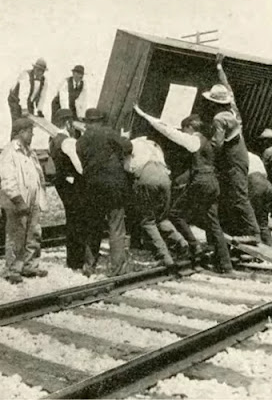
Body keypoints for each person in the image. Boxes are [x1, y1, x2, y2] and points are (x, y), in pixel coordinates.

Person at [133, 105, 233, 273]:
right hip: (213, 183)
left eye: (184, 129)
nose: (183, 132)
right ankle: (226, 264)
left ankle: (194, 246)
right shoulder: (211, 142)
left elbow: (169, 132)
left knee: (175, 214)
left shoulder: (195, 140)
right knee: (214, 224)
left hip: (201, 181)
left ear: (190, 127)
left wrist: (145, 115)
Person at [204, 55, 260, 240]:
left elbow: (217, 144)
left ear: (213, 103)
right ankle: (242, 229)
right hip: (240, 154)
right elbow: (228, 88)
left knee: (239, 195)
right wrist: (219, 67)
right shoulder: (233, 109)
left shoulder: (219, 118)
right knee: (236, 194)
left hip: (233, 159)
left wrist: (203, 152)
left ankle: (253, 233)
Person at [76, 108, 133, 276]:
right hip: (114, 186)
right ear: (101, 120)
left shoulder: (80, 141)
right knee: (116, 226)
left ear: (87, 123)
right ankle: (117, 268)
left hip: (92, 187)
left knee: (93, 226)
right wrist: (124, 138)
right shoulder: (109, 132)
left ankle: (89, 266)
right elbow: (128, 147)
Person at [124, 136, 189, 266]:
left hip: (147, 177)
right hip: (164, 177)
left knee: (148, 221)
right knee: (162, 218)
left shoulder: (131, 144)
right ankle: (181, 241)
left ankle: (164, 256)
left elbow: (128, 168)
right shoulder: (153, 144)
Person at [0, 117, 48, 284]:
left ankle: (30, 266)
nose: (32, 135)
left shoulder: (30, 152)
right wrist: (19, 201)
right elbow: (8, 180)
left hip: (32, 199)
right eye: (30, 132)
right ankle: (13, 270)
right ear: (21, 132)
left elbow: (38, 175)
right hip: (17, 201)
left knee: (34, 234)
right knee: (16, 236)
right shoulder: (9, 152)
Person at [48, 109, 85, 271]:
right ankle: (77, 260)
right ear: (68, 123)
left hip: (62, 183)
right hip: (73, 184)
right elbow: (79, 167)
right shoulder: (68, 141)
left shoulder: (53, 140)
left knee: (71, 218)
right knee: (78, 220)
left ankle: (72, 260)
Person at [8, 58, 49, 135]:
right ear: (34, 68)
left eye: (42, 71)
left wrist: (39, 110)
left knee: (30, 123)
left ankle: (27, 141)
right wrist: (24, 109)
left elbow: (42, 97)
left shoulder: (44, 81)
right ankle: (15, 141)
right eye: (38, 70)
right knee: (18, 123)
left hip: (29, 101)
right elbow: (23, 94)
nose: (39, 72)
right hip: (15, 101)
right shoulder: (26, 75)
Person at [247, 152, 272, 246]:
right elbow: (265, 174)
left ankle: (257, 245)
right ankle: (270, 247)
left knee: (252, 218)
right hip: (267, 185)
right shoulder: (255, 156)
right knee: (263, 222)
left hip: (255, 185)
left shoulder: (238, 157)